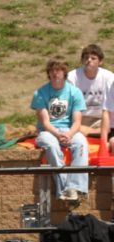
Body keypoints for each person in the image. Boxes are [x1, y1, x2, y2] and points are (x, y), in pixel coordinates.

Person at [31, 56, 88, 203]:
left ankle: (75, 188)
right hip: (48, 130)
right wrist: (58, 134)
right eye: (52, 70)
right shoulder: (40, 93)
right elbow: (45, 122)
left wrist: (68, 134)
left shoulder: (75, 92)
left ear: (64, 72)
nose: (56, 73)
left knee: (81, 143)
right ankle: (64, 188)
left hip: (70, 129)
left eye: (59, 70)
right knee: (51, 145)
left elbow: (77, 122)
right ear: (48, 73)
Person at [67, 44, 114, 150]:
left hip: (101, 119)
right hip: (79, 118)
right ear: (82, 60)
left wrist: (90, 130)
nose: (89, 60)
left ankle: (91, 133)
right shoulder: (72, 77)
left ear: (100, 61)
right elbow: (68, 104)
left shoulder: (109, 77)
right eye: (86, 57)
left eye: (93, 58)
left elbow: (108, 110)